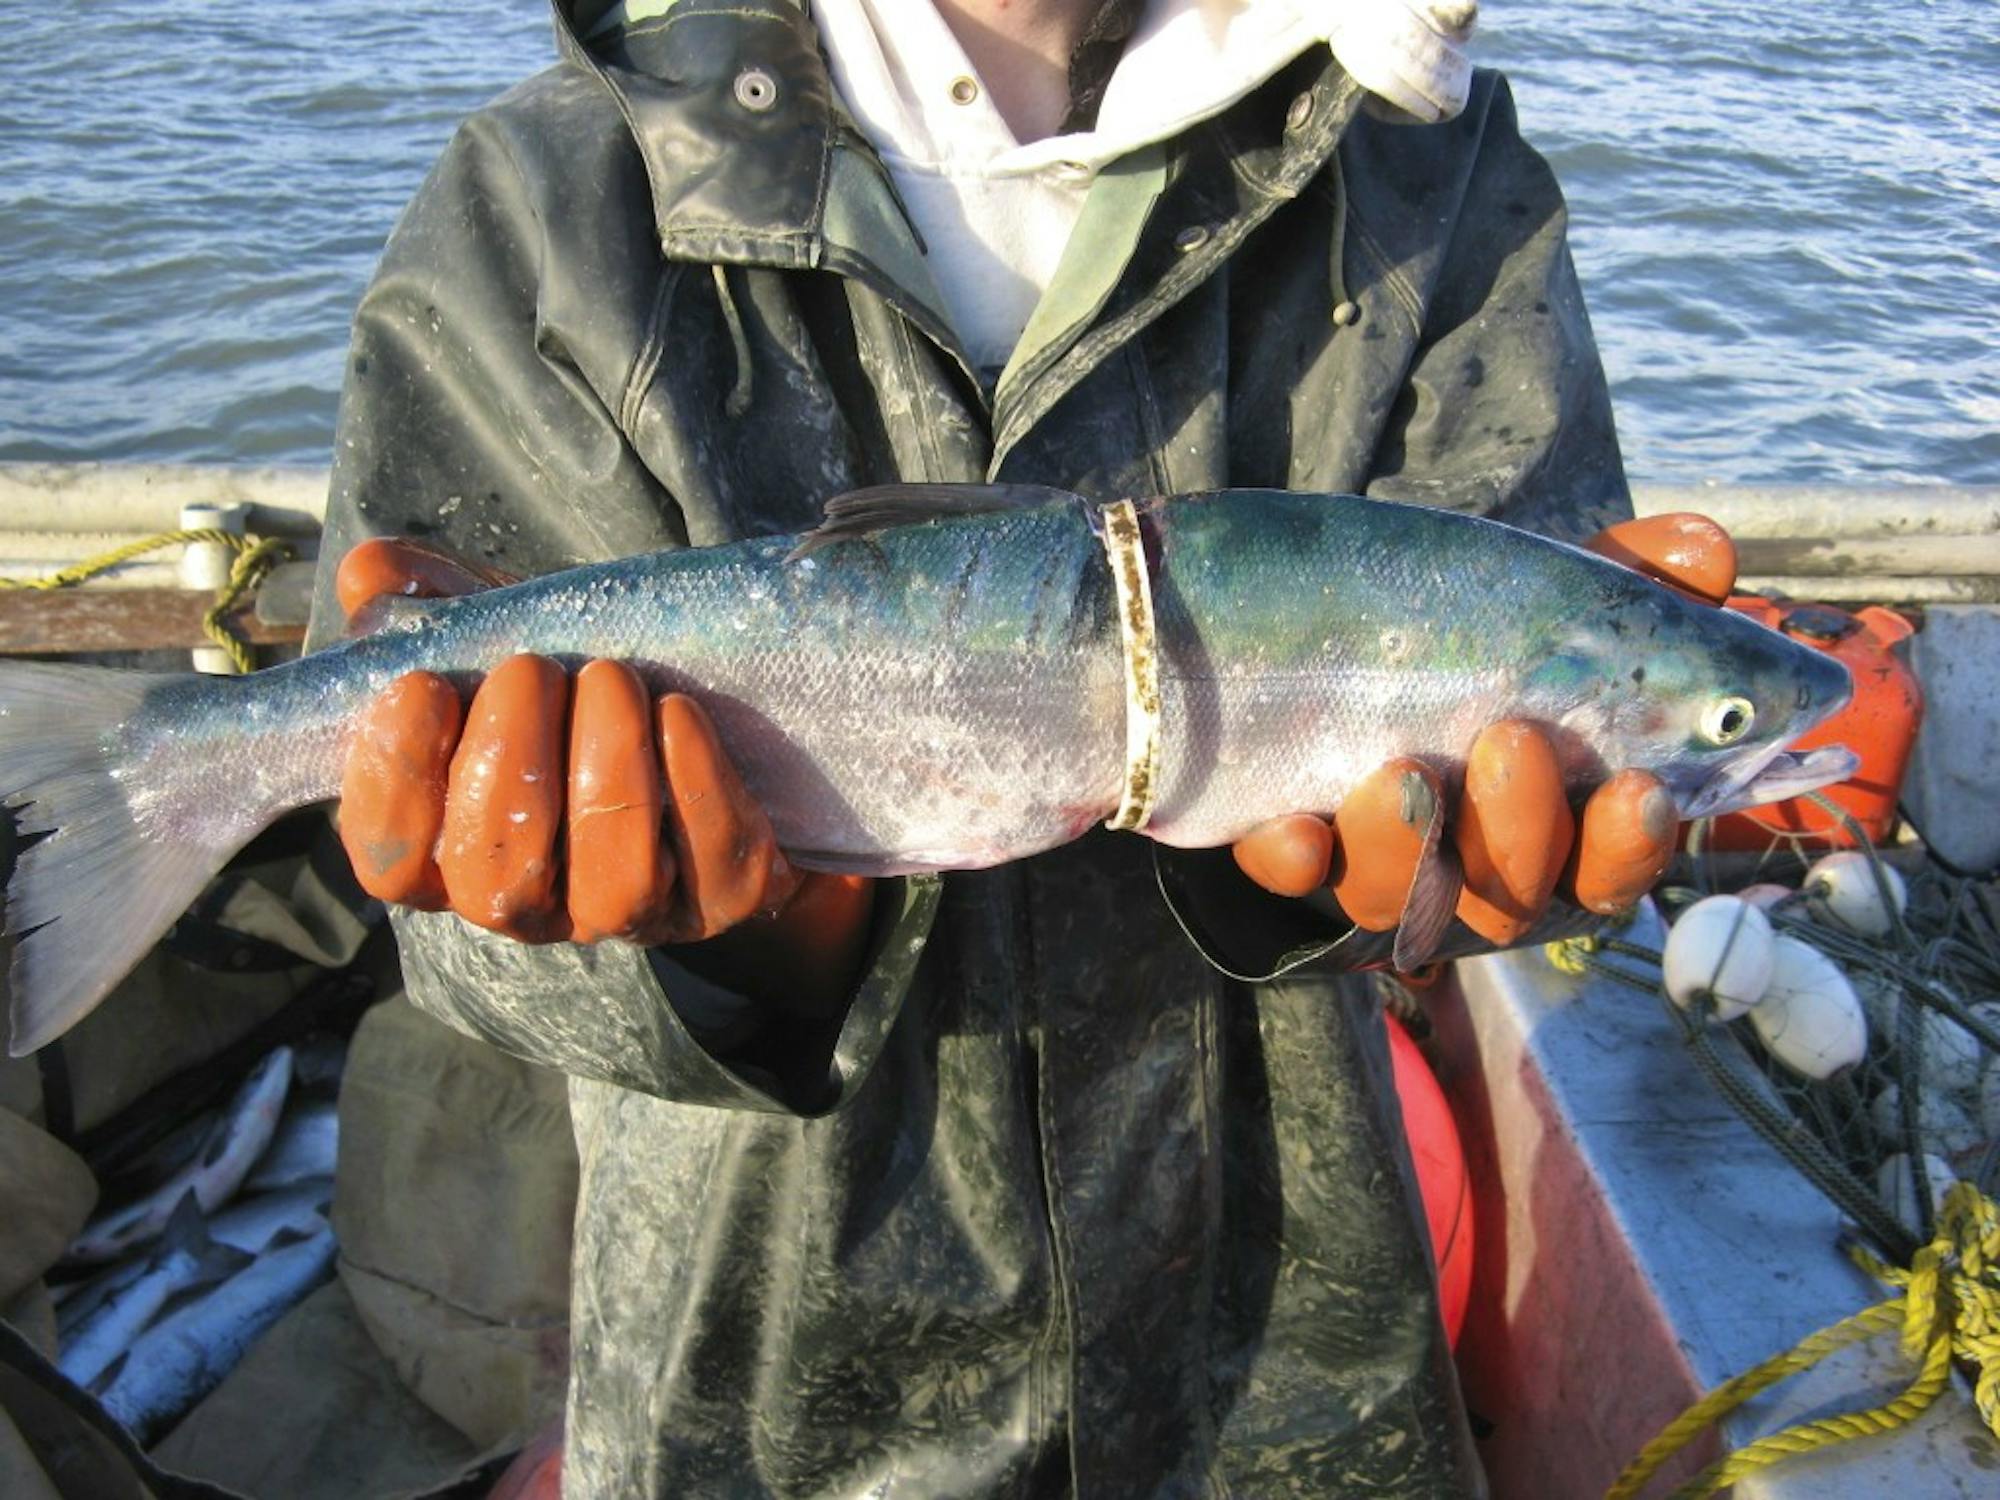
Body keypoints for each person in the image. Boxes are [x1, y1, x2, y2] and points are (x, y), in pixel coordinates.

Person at [311, 0, 1737, 1493]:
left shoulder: (1423, 158)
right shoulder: (555, 198)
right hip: (755, 1409)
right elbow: (444, 924)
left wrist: (1374, 890)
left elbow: (1532, 718)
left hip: (1287, 1395)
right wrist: (741, 949)